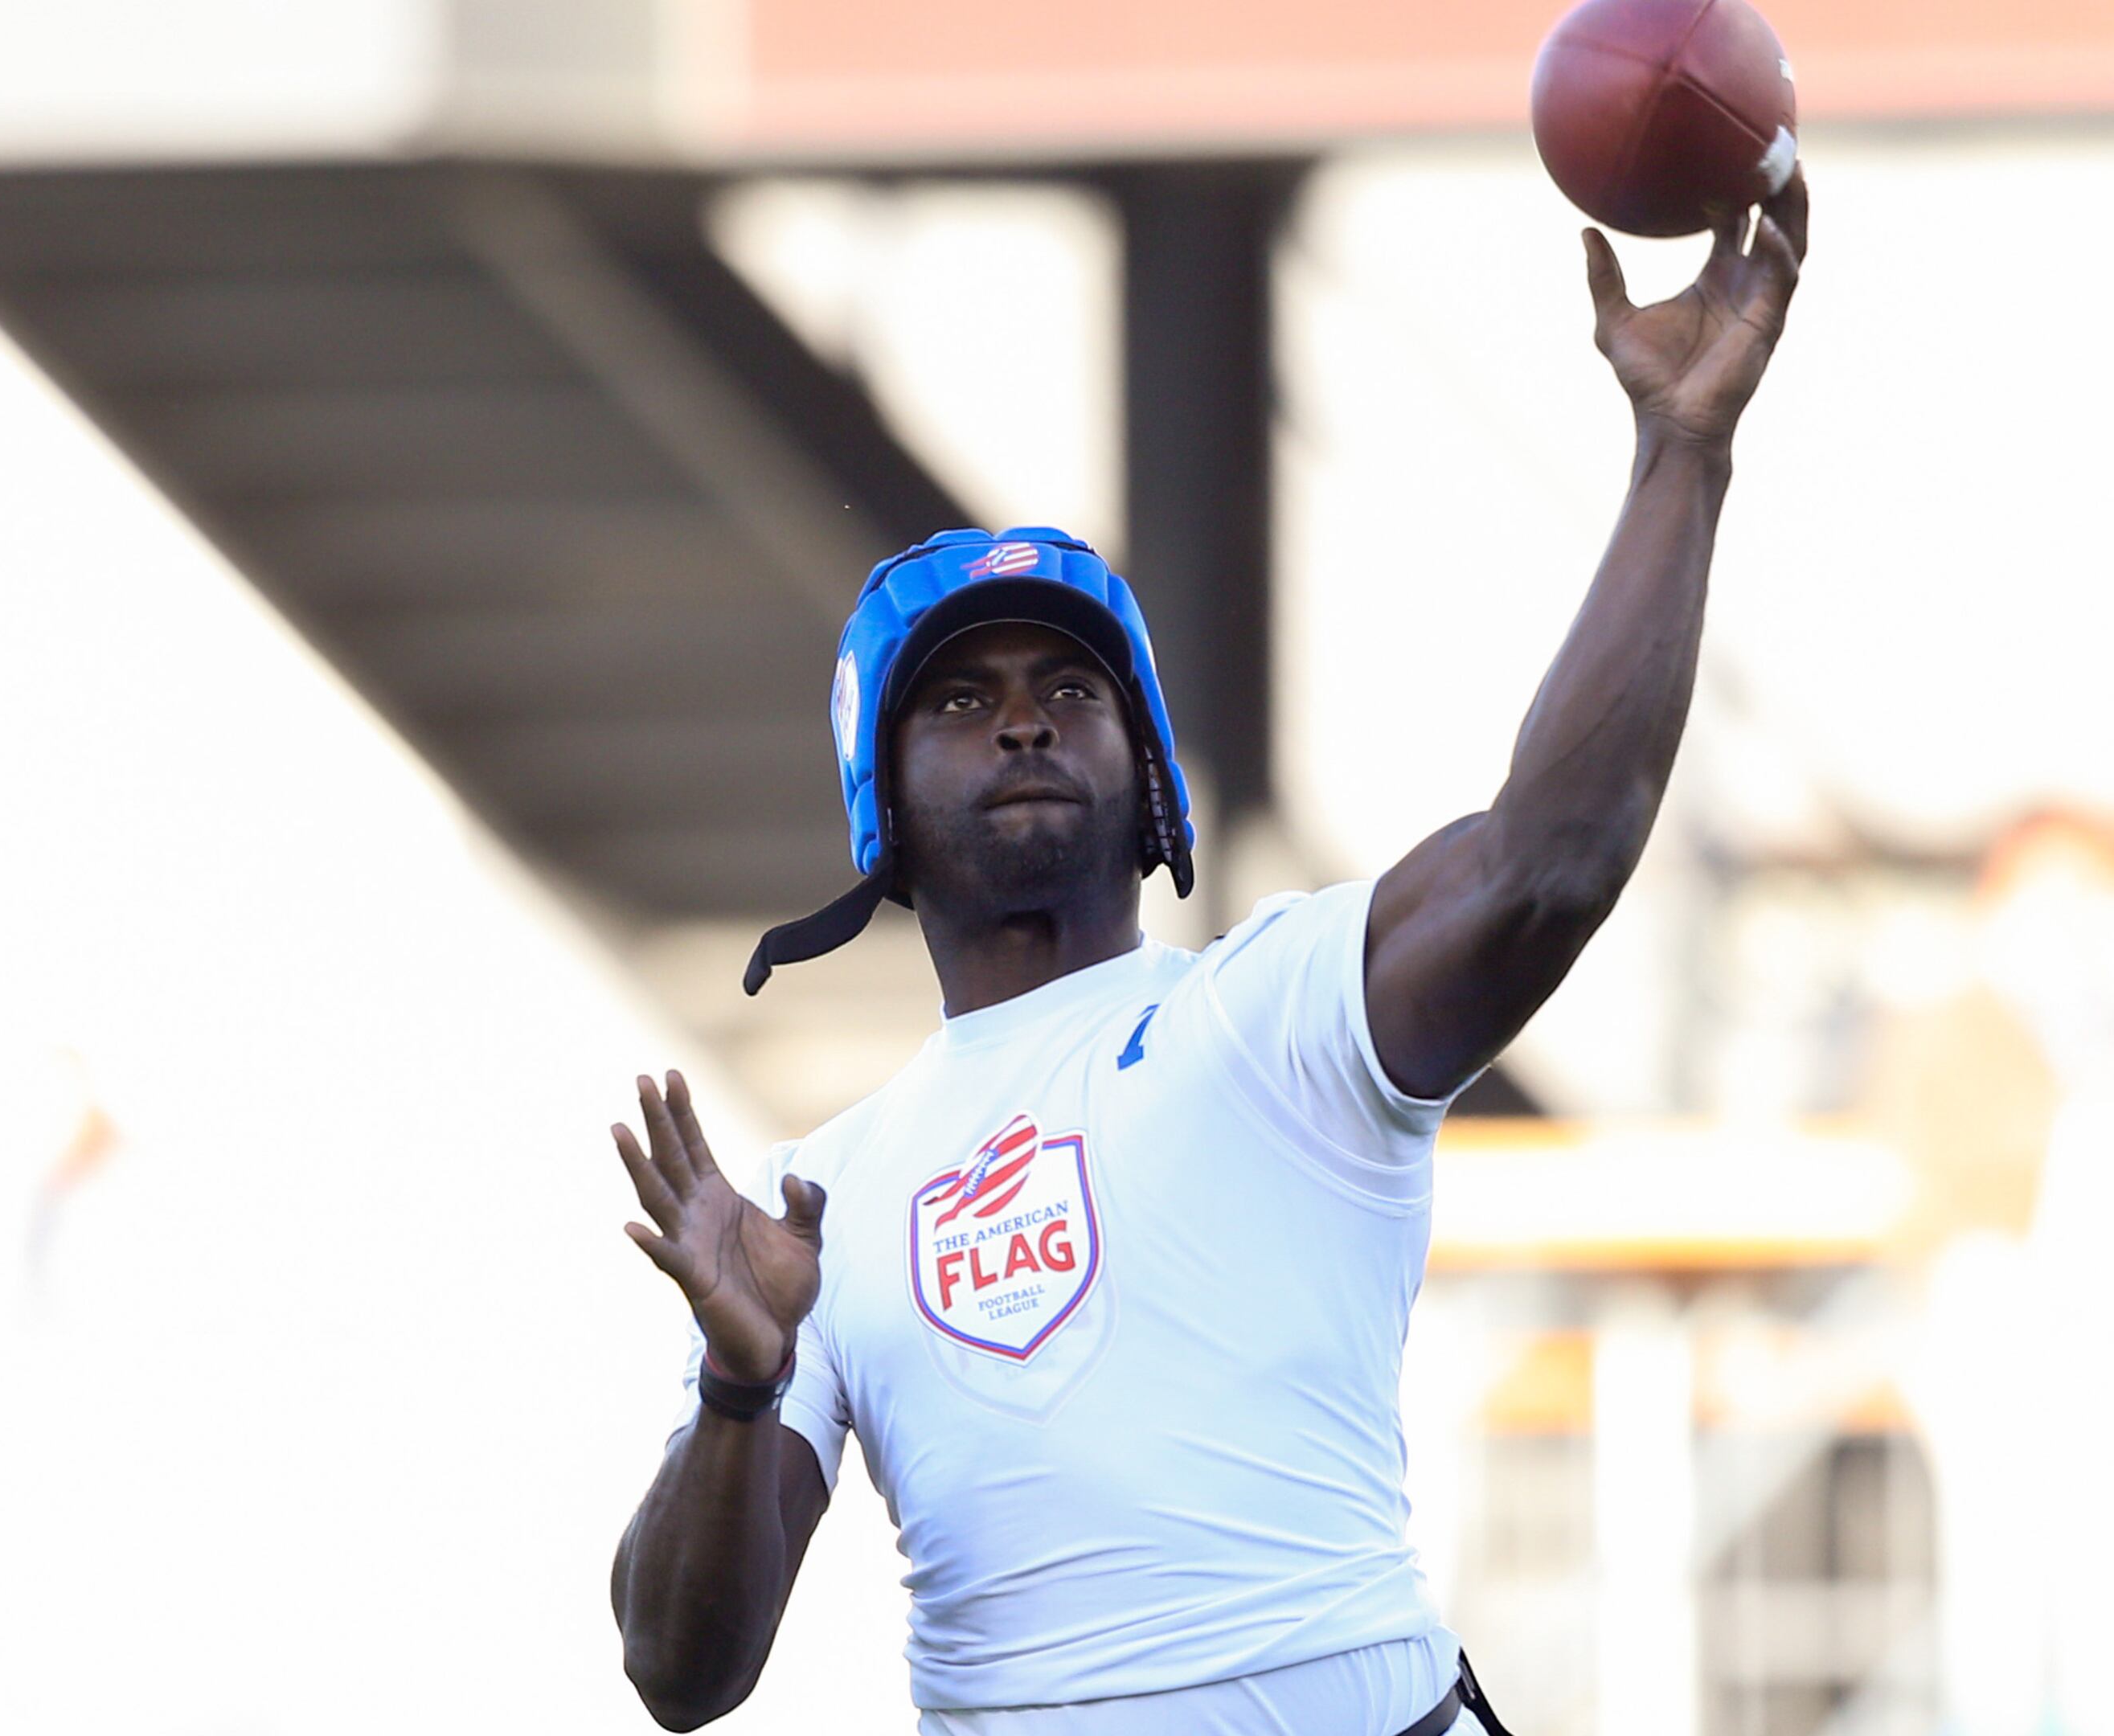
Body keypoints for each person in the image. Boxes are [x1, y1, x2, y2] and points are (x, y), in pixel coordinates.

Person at [602, 175, 1808, 1735]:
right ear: (877, 806)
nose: (1025, 716)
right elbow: (679, 1675)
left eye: (1070, 688)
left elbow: (1545, 860)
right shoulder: (811, 1207)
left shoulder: (1275, 1006)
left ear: (1152, 770)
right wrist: (741, 1381)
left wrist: (1680, 453)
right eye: (960, 702)